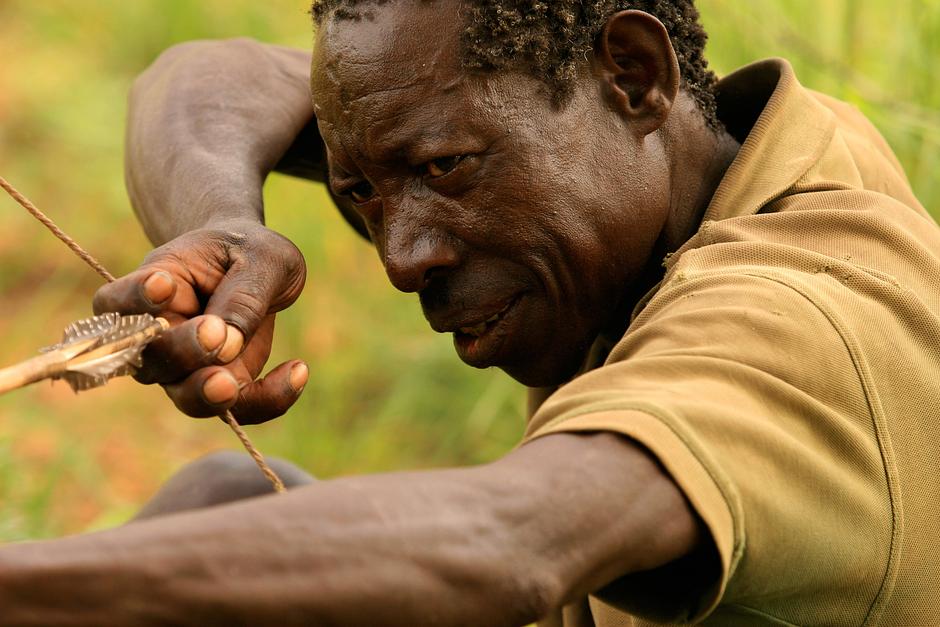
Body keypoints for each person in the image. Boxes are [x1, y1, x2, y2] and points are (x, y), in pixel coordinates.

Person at [1, 0, 938, 624]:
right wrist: (222, 224)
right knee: (224, 500)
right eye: (363, 191)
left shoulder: (799, 312)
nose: (403, 260)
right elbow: (202, 76)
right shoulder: (723, 146)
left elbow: (509, 539)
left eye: (446, 169)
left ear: (635, 75)